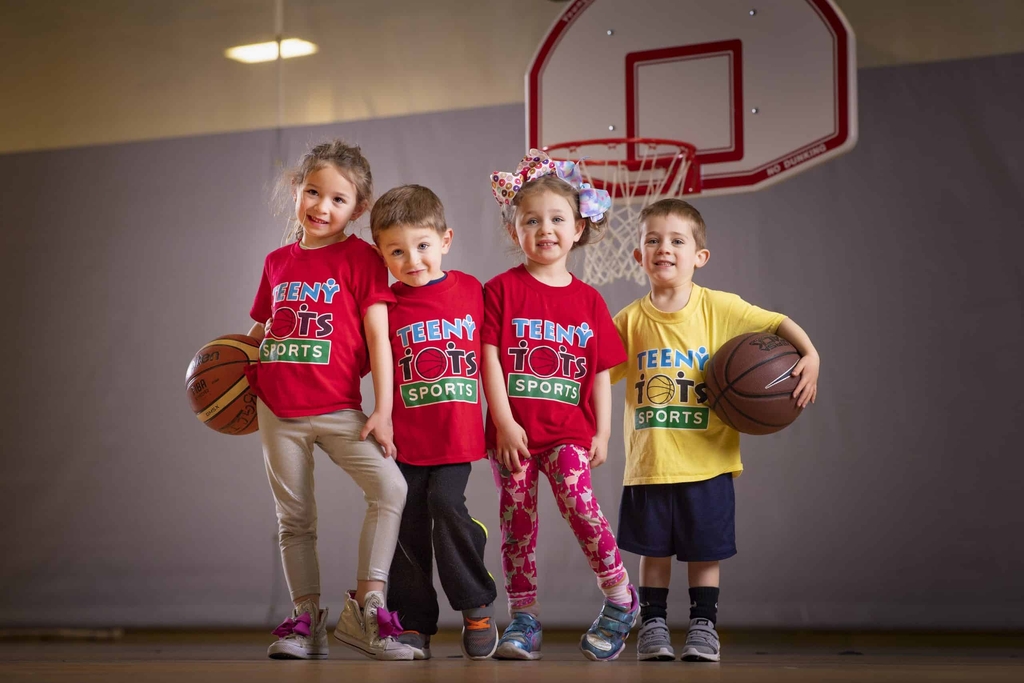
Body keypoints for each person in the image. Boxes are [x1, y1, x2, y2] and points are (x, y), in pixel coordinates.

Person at [610, 198, 820, 662]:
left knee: (705, 554)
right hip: (650, 463)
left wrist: (811, 355)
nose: (664, 248)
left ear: (699, 257)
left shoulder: (719, 307)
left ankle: (704, 627)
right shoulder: (628, 320)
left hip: (708, 462)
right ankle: (654, 627)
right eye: (652, 240)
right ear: (638, 256)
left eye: (677, 240)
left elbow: (777, 323)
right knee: (653, 553)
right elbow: (595, 378)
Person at [244, 140, 414, 661]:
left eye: (338, 200)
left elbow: (380, 338)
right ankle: (304, 619)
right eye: (313, 192)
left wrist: (382, 410)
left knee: (390, 487)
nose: (322, 207)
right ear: (297, 189)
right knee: (294, 519)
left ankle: (369, 610)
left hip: (339, 406)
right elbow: (258, 331)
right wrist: (229, 375)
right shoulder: (277, 262)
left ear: (358, 209)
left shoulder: (363, 259)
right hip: (277, 408)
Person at [482, 150, 640, 662]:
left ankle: (620, 596)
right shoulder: (500, 291)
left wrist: (605, 433)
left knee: (581, 509)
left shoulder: (590, 301)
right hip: (515, 436)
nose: (544, 229)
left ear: (578, 229)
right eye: (532, 220)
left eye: (556, 219)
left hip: (569, 431)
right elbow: (489, 360)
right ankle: (523, 619)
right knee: (516, 525)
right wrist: (503, 422)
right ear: (515, 232)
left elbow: (601, 372)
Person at [369, 184, 499, 661]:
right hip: (403, 441)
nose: (413, 260)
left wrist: (505, 420)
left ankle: (476, 604)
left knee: (446, 505)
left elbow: (495, 361)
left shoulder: (471, 290)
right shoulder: (383, 305)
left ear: (446, 239)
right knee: (406, 525)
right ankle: (414, 622)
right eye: (397, 251)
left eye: (422, 246)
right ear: (381, 254)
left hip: (457, 436)